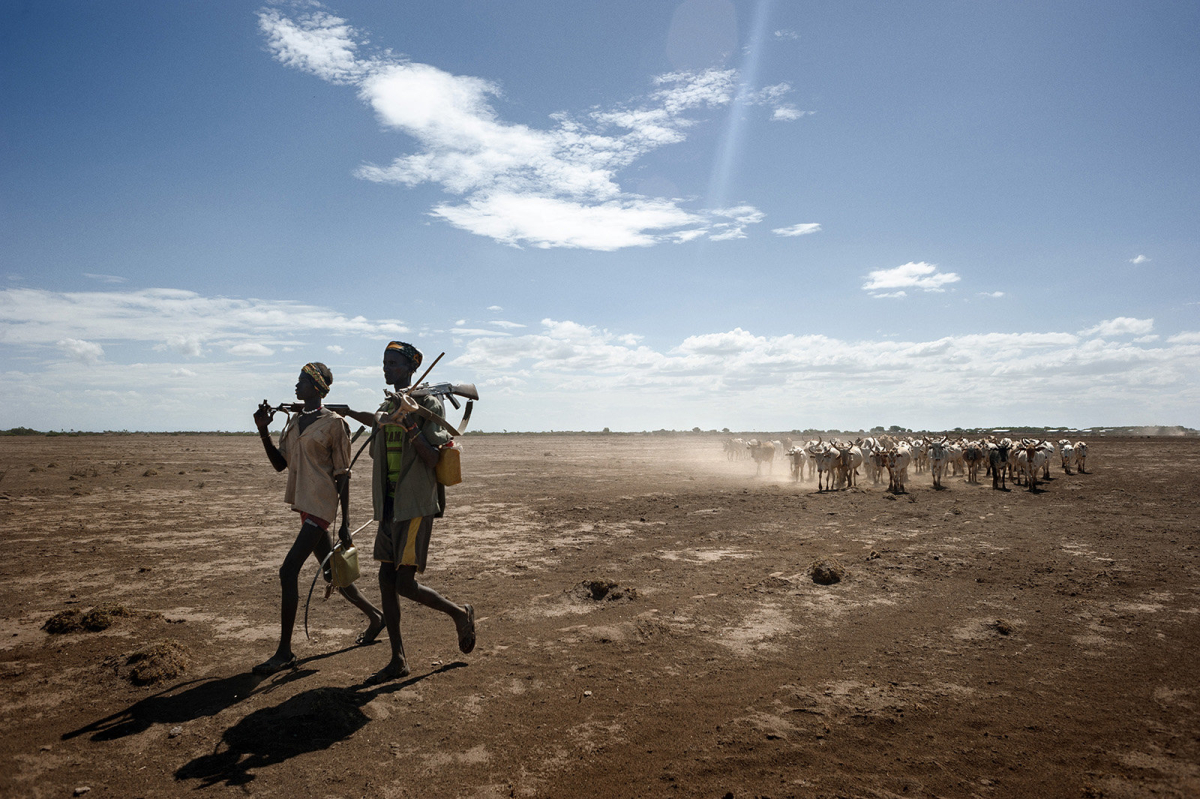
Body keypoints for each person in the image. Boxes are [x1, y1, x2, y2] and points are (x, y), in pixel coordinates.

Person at [343, 341, 475, 684]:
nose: (386, 368)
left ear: (411, 368)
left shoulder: (428, 404)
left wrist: (410, 424)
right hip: (388, 506)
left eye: (393, 363)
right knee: (386, 579)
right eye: (384, 362)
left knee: (403, 582)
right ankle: (398, 658)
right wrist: (382, 416)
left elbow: (433, 459)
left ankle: (460, 614)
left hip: (414, 504)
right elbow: (376, 448)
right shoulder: (390, 403)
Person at [250, 362, 385, 675]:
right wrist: (262, 431)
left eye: (302, 380)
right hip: (305, 504)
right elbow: (279, 466)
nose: (296, 385)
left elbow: (343, 475)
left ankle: (284, 652)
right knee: (333, 575)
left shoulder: (335, 424)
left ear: (317, 387)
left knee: (288, 571)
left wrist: (346, 523)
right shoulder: (295, 421)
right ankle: (377, 617)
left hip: (323, 506)